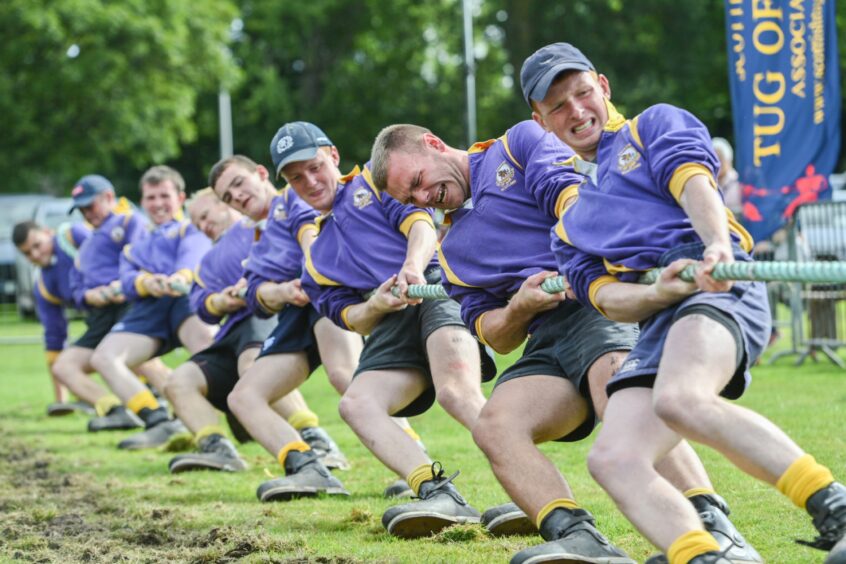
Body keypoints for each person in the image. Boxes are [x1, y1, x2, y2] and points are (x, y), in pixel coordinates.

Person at [370, 121, 759, 563]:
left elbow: (569, 196)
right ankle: (579, 537)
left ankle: (715, 531)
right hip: (545, 337)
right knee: (494, 426)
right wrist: (520, 306)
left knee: (618, 395)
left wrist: (580, 262)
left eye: (418, 182)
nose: (423, 199)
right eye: (410, 199)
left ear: (435, 145)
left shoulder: (515, 146)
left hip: (596, 305)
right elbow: (495, 336)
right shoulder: (451, 251)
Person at [522, 42, 846, 564]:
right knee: (611, 457)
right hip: (659, 312)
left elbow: (696, 182)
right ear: (540, 120)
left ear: (602, 87)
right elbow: (608, 300)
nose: (575, 111)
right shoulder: (568, 224)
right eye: (557, 106)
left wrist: (716, 244)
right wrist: (656, 293)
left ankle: (835, 509)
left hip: (713, 277)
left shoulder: (651, 126)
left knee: (679, 398)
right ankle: (703, 555)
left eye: (582, 93)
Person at [282, 121, 497, 538]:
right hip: (389, 317)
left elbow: (422, 225)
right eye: (295, 177)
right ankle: (437, 492)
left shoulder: (376, 182)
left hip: (433, 285)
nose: (309, 181)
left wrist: (412, 266)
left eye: (313, 167)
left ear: (333, 155)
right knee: (356, 404)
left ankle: (529, 492)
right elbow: (352, 319)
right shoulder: (314, 263)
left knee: (457, 392)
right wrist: (375, 304)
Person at [208, 152, 358, 496]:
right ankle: (307, 466)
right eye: (228, 198)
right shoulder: (258, 236)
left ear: (261, 173)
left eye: (238, 184)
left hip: (326, 301)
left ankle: (416, 463)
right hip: (294, 316)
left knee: (345, 376)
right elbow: (258, 298)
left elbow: (311, 235)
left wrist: (309, 272)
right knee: (244, 397)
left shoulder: (292, 197)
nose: (238, 197)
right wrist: (276, 289)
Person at [165, 189, 328, 473]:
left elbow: (287, 262)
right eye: (197, 223)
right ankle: (218, 449)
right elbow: (199, 302)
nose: (203, 226)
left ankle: (316, 440)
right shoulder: (207, 259)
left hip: (264, 316)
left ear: (224, 205)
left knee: (251, 366)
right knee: (178, 382)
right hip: (228, 331)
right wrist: (219, 301)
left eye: (205, 216)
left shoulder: (260, 230)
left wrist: (252, 286)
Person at [89, 165, 216, 450]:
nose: (158, 204)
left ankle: (230, 412)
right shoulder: (136, 243)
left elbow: (193, 259)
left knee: (209, 347)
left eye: (164, 195)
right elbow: (127, 276)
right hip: (149, 309)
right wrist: (147, 282)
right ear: (142, 201)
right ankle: (159, 421)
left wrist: (180, 277)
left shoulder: (190, 229)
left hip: (186, 301)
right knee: (104, 358)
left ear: (180, 198)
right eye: (150, 197)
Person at [51, 174, 169, 431]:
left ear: (107, 197)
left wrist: (119, 285)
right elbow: (77, 289)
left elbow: (139, 257)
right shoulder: (84, 246)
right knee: (63, 366)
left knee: (141, 362)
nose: (86, 213)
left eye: (89, 206)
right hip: (100, 314)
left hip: (129, 306)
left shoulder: (128, 220)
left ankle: (174, 410)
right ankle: (117, 410)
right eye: (81, 209)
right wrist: (89, 296)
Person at [13, 219, 94, 415]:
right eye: (27, 253)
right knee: (66, 363)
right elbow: (54, 337)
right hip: (99, 321)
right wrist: (60, 402)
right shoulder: (43, 286)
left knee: (120, 353)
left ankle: (150, 398)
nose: (35, 254)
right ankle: (88, 401)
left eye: (37, 245)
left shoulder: (72, 236)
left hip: (127, 303)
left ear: (48, 232)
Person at [712, 137, 742, 217]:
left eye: (720, 158)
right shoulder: (709, 183)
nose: (716, 163)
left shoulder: (739, 183)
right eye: (713, 159)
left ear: (728, 159)